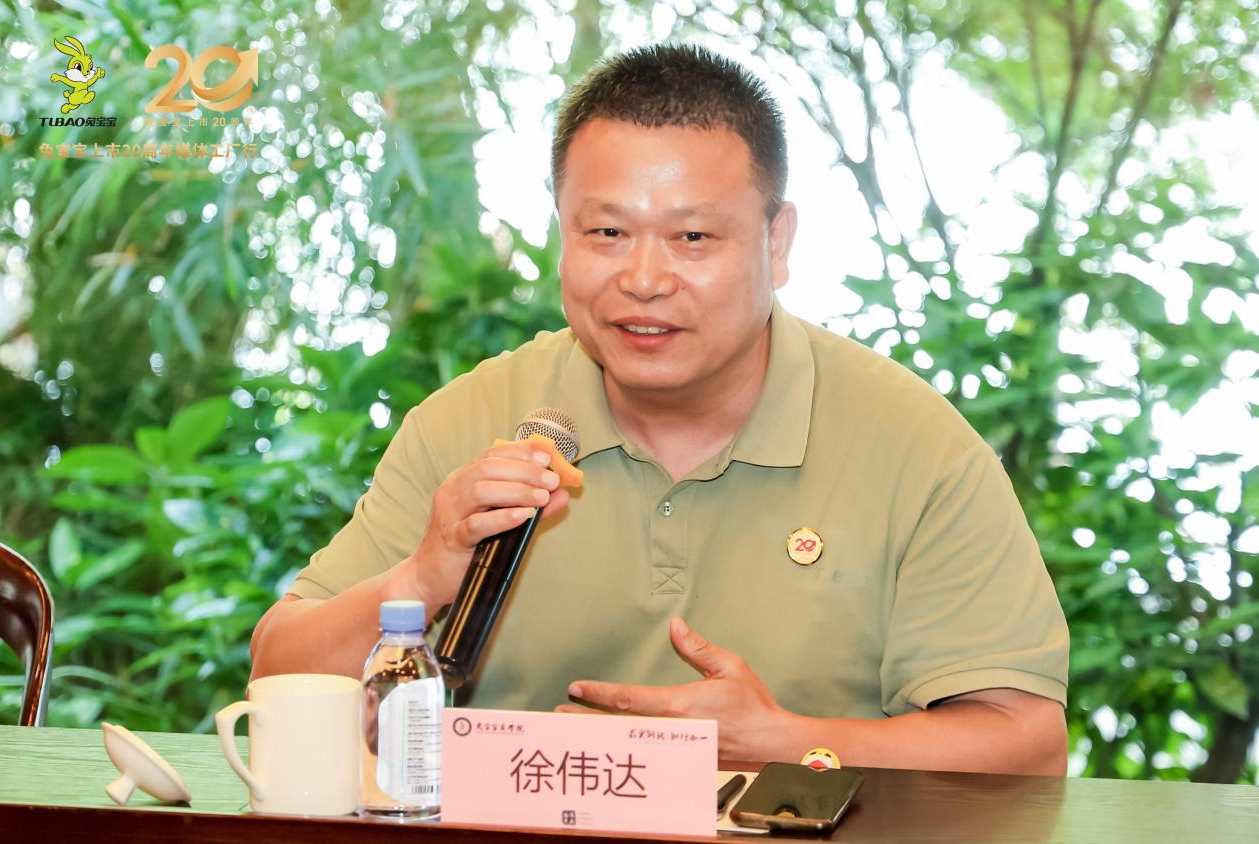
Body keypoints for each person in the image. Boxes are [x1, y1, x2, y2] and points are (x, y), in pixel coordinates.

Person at [250, 43, 1069, 774]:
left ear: (776, 242)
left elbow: (1023, 742)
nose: (643, 280)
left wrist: (784, 742)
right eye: (606, 234)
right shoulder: (473, 420)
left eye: (693, 239)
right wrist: (423, 574)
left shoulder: (912, 445)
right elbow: (278, 675)